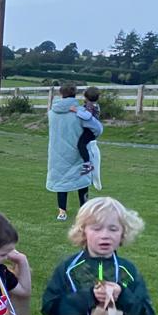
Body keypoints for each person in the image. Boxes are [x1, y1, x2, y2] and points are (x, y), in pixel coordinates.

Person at [47, 84, 93, 222]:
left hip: (58, 151)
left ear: (61, 94)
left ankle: (62, 212)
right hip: (77, 150)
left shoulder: (52, 112)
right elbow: (93, 127)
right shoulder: (80, 112)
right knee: (82, 180)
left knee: (61, 180)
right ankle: (84, 210)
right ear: (75, 94)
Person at [76, 87, 103, 176]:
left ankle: (87, 164)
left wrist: (76, 111)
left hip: (90, 130)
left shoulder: (90, 105)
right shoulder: (95, 105)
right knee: (85, 145)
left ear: (87, 97)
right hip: (93, 129)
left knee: (81, 145)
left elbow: (87, 116)